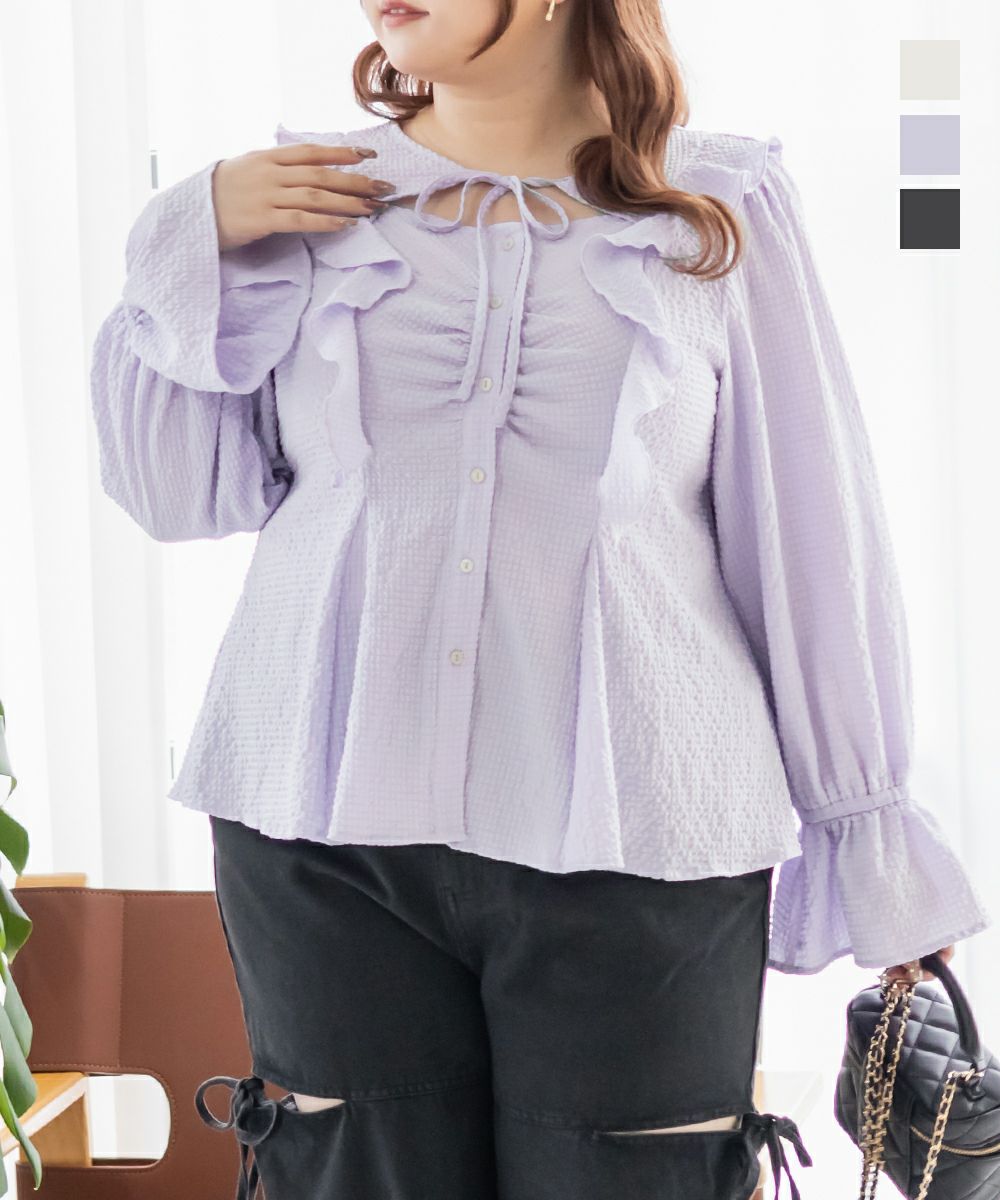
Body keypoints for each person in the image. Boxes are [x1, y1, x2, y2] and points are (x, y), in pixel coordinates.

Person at [90, 1, 993, 1196]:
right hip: (319, 823)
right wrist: (184, 243)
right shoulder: (300, 198)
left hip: (644, 825)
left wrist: (867, 829)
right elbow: (173, 493)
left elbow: (811, 537)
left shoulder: (716, 204)